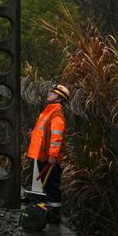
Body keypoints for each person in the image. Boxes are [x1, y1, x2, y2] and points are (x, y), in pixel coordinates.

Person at [27, 83, 70, 223]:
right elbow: (43, 131)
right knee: (48, 186)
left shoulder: (56, 114)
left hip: (49, 158)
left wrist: (53, 155)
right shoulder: (49, 111)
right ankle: (50, 213)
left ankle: (55, 215)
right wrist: (33, 134)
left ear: (59, 98)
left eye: (53, 93)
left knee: (52, 187)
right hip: (43, 155)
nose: (49, 94)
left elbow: (56, 137)